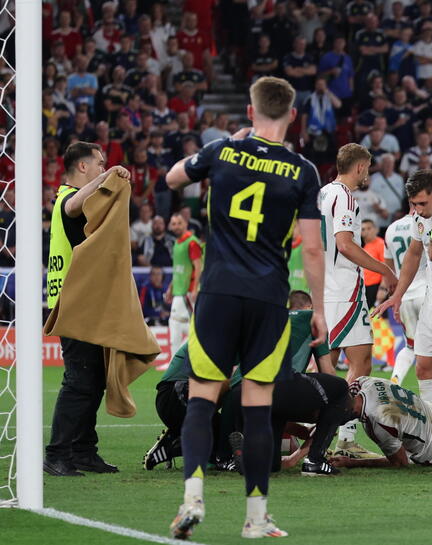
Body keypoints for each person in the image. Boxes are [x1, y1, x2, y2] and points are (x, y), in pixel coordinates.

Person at [165, 76, 327, 540]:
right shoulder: (302, 171)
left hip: (217, 293)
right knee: (257, 409)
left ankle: (192, 498)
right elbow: (312, 250)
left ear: (251, 112)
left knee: (202, 400)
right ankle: (256, 518)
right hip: (268, 298)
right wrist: (315, 306)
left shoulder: (219, 152)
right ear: (292, 115)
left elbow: (172, 177)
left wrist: (226, 145)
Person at [144, 292, 343, 476]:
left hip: (174, 396)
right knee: (233, 420)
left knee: (238, 426)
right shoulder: (299, 322)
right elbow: (228, 384)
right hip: (180, 393)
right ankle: (212, 452)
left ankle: (180, 443)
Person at [44, 142, 129, 477]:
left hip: (81, 301)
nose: (102, 166)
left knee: (92, 378)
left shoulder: (64, 198)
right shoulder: (67, 197)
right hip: (73, 303)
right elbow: (76, 204)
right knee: (79, 380)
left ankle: (82, 451)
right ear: (83, 167)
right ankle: (57, 454)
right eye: (98, 162)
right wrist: (108, 177)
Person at [318, 143, 397, 459]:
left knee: (327, 365)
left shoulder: (323, 193)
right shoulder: (345, 197)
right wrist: (384, 269)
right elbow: (346, 245)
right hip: (344, 287)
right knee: (361, 361)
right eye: (368, 167)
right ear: (360, 167)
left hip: (322, 286)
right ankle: (344, 438)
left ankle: (314, 438)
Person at [373, 170, 432, 407]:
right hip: (424, 295)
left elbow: (391, 263)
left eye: (422, 203)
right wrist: (395, 295)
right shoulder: (419, 220)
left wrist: (394, 292)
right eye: (414, 204)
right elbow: (415, 253)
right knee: (426, 365)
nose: (418, 209)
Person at [383, 209, 427, 386]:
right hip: (426, 291)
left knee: (411, 346)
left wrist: (394, 296)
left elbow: (388, 268)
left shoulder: (391, 229)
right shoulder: (425, 222)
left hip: (404, 296)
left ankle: (395, 380)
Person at [164, 213, 203, 355]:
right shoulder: (177, 243)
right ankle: (181, 360)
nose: (176, 226)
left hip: (187, 292)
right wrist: (170, 288)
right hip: (178, 291)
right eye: (173, 224)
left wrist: (194, 290)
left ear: (186, 224)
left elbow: (198, 266)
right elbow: (178, 270)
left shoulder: (192, 242)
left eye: (179, 223)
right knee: (183, 325)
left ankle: (175, 361)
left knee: (176, 323)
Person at [361, 218, 387, 309]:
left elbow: (386, 268)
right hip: (365, 288)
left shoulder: (380, 244)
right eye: (363, 229)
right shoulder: (364, 247)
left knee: (380, 320)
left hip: (376, 287)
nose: (366, 231)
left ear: (376, 230)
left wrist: (383, 288)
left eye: (369, 228)